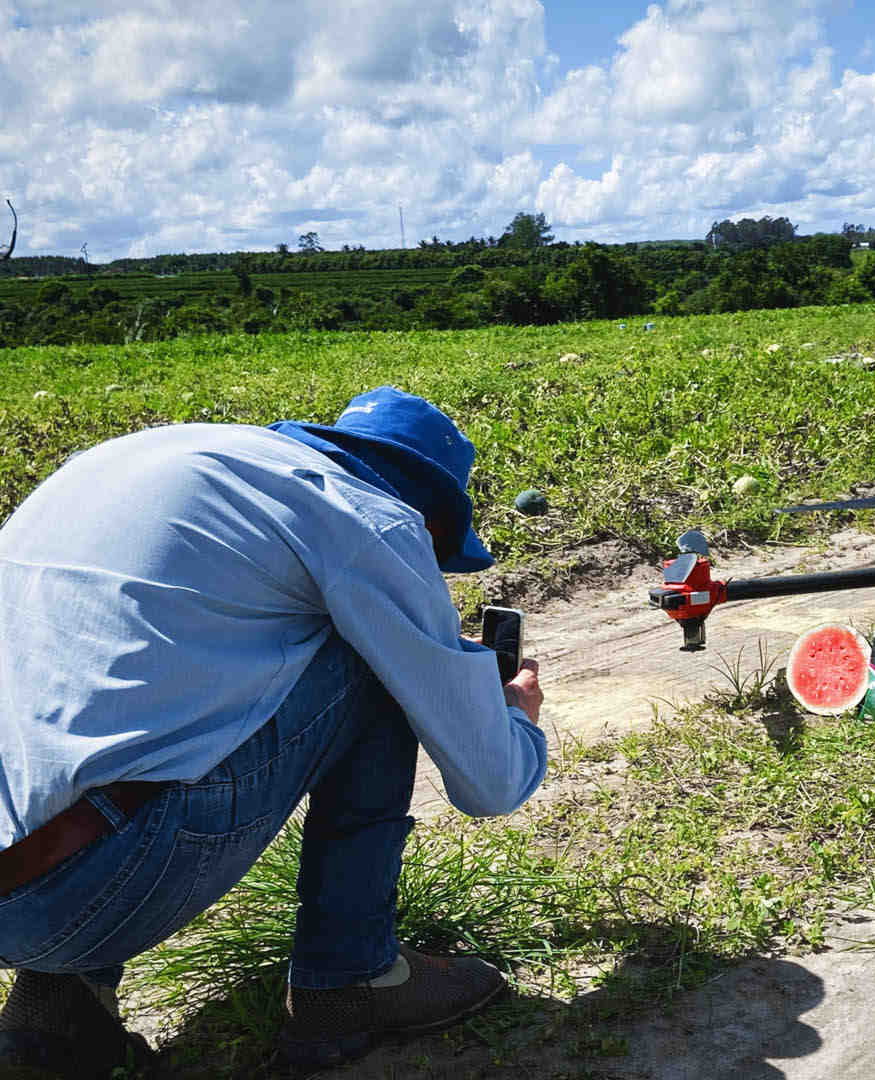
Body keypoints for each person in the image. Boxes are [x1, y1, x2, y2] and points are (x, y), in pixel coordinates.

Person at [0, 386, 548, 1077]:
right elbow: (491, 784)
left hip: (25, 877)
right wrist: (512, 717)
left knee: (115, 701)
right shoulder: (370, 514)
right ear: (429, 517)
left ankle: (59, 1010)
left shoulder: (145, 459)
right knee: (369, 662)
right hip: (93, 886)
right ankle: (350, 980)